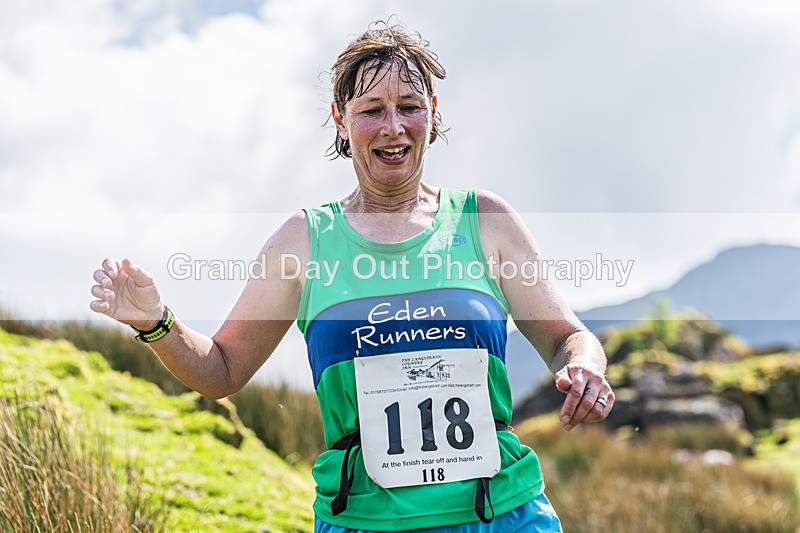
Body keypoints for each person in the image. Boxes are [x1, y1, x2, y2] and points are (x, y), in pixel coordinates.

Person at [90, 20, 614, 533]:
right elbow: (222, 371)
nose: (393, 126)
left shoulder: (485, 220)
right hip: (362, 520)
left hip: (502, 514)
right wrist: (156, 322)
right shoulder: (303, 241)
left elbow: (568, 338)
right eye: (371, 110)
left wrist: (584, 367)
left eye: (409, 106)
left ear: (432, 112)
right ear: (340, 119)